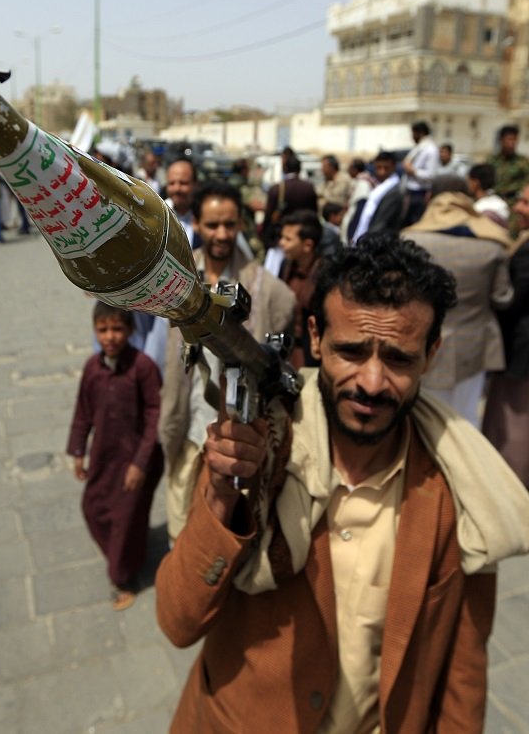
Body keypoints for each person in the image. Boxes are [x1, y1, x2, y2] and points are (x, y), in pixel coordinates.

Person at [157, 234, 529, 733]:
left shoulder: (459, 487)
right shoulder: (259, 448)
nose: (372, 383)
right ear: (315, 337)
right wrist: (221, 496)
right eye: (351, 352)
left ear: (432, 352)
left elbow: (464, 669)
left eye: (398, 358)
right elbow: (179, 621)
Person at [158, 180, 295, 540]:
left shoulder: (269, 292)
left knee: (230, 540)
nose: (221, 234)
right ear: (197, 224)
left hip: (240, 445)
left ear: (241, 226)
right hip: (189, 434)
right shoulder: (175, 281)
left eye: (229, 224)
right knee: (184, 538)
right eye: (212, 224)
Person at [66, 302, 163, 611]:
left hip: (137, 459)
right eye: (103, 330)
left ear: (131, 330)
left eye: (117, 329)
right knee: (93, 507)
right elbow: (83, 412)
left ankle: (123, 578)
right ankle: (126, 554)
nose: (110, 337)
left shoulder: (143, 368)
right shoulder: (93, 369)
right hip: (104, 456)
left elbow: (154, 416)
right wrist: (78, 451)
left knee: (125, 519)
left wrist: (140, 463)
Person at [404, 176, 512, 426]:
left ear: (431, 199)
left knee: (421, 416)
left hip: (422, 341)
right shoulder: (492, 245)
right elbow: (502, 297)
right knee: (465, 417)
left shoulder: (412, 241)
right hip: (474, 345)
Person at [482, 183, 529, 486]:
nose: (518, 208)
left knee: (514, 425)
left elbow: (513, 301)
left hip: (521, 350)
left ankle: (511, 492)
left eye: (525, 203)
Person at [278, 210, 323, 370]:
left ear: (307, 245)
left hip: (309, 356)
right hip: (286, 350)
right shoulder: (286, 266)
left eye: (288, 239)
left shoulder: (323, 274)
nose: (281, 243)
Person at [350, 150, 404, 242]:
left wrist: (367, 242)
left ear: (393, 167)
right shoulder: (378, 185)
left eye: (386, 168)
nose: (382, 171)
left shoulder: (394, 191)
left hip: (375, 241)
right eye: (379, 167)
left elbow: (381, 223)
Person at [401, 121, 440, 227]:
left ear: (420, 133)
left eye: (413, 133)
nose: (412, 137)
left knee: (414, 224)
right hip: (410, 192)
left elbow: (431, 175)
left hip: (419, 194)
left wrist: (413, 171)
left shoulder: (430, 150)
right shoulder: (419, 148)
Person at [488, 124, 529, 212]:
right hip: (494, 203)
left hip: (513, 204)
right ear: (501, 140)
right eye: (509, 139)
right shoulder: (491, 161)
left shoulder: (523, 162)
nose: (512, 143)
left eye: (515, 140)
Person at [467, 162, 510, 228]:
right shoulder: (501, 204)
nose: (468, 184)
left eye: (469, 181)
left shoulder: (479, 208)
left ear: (475, 183)